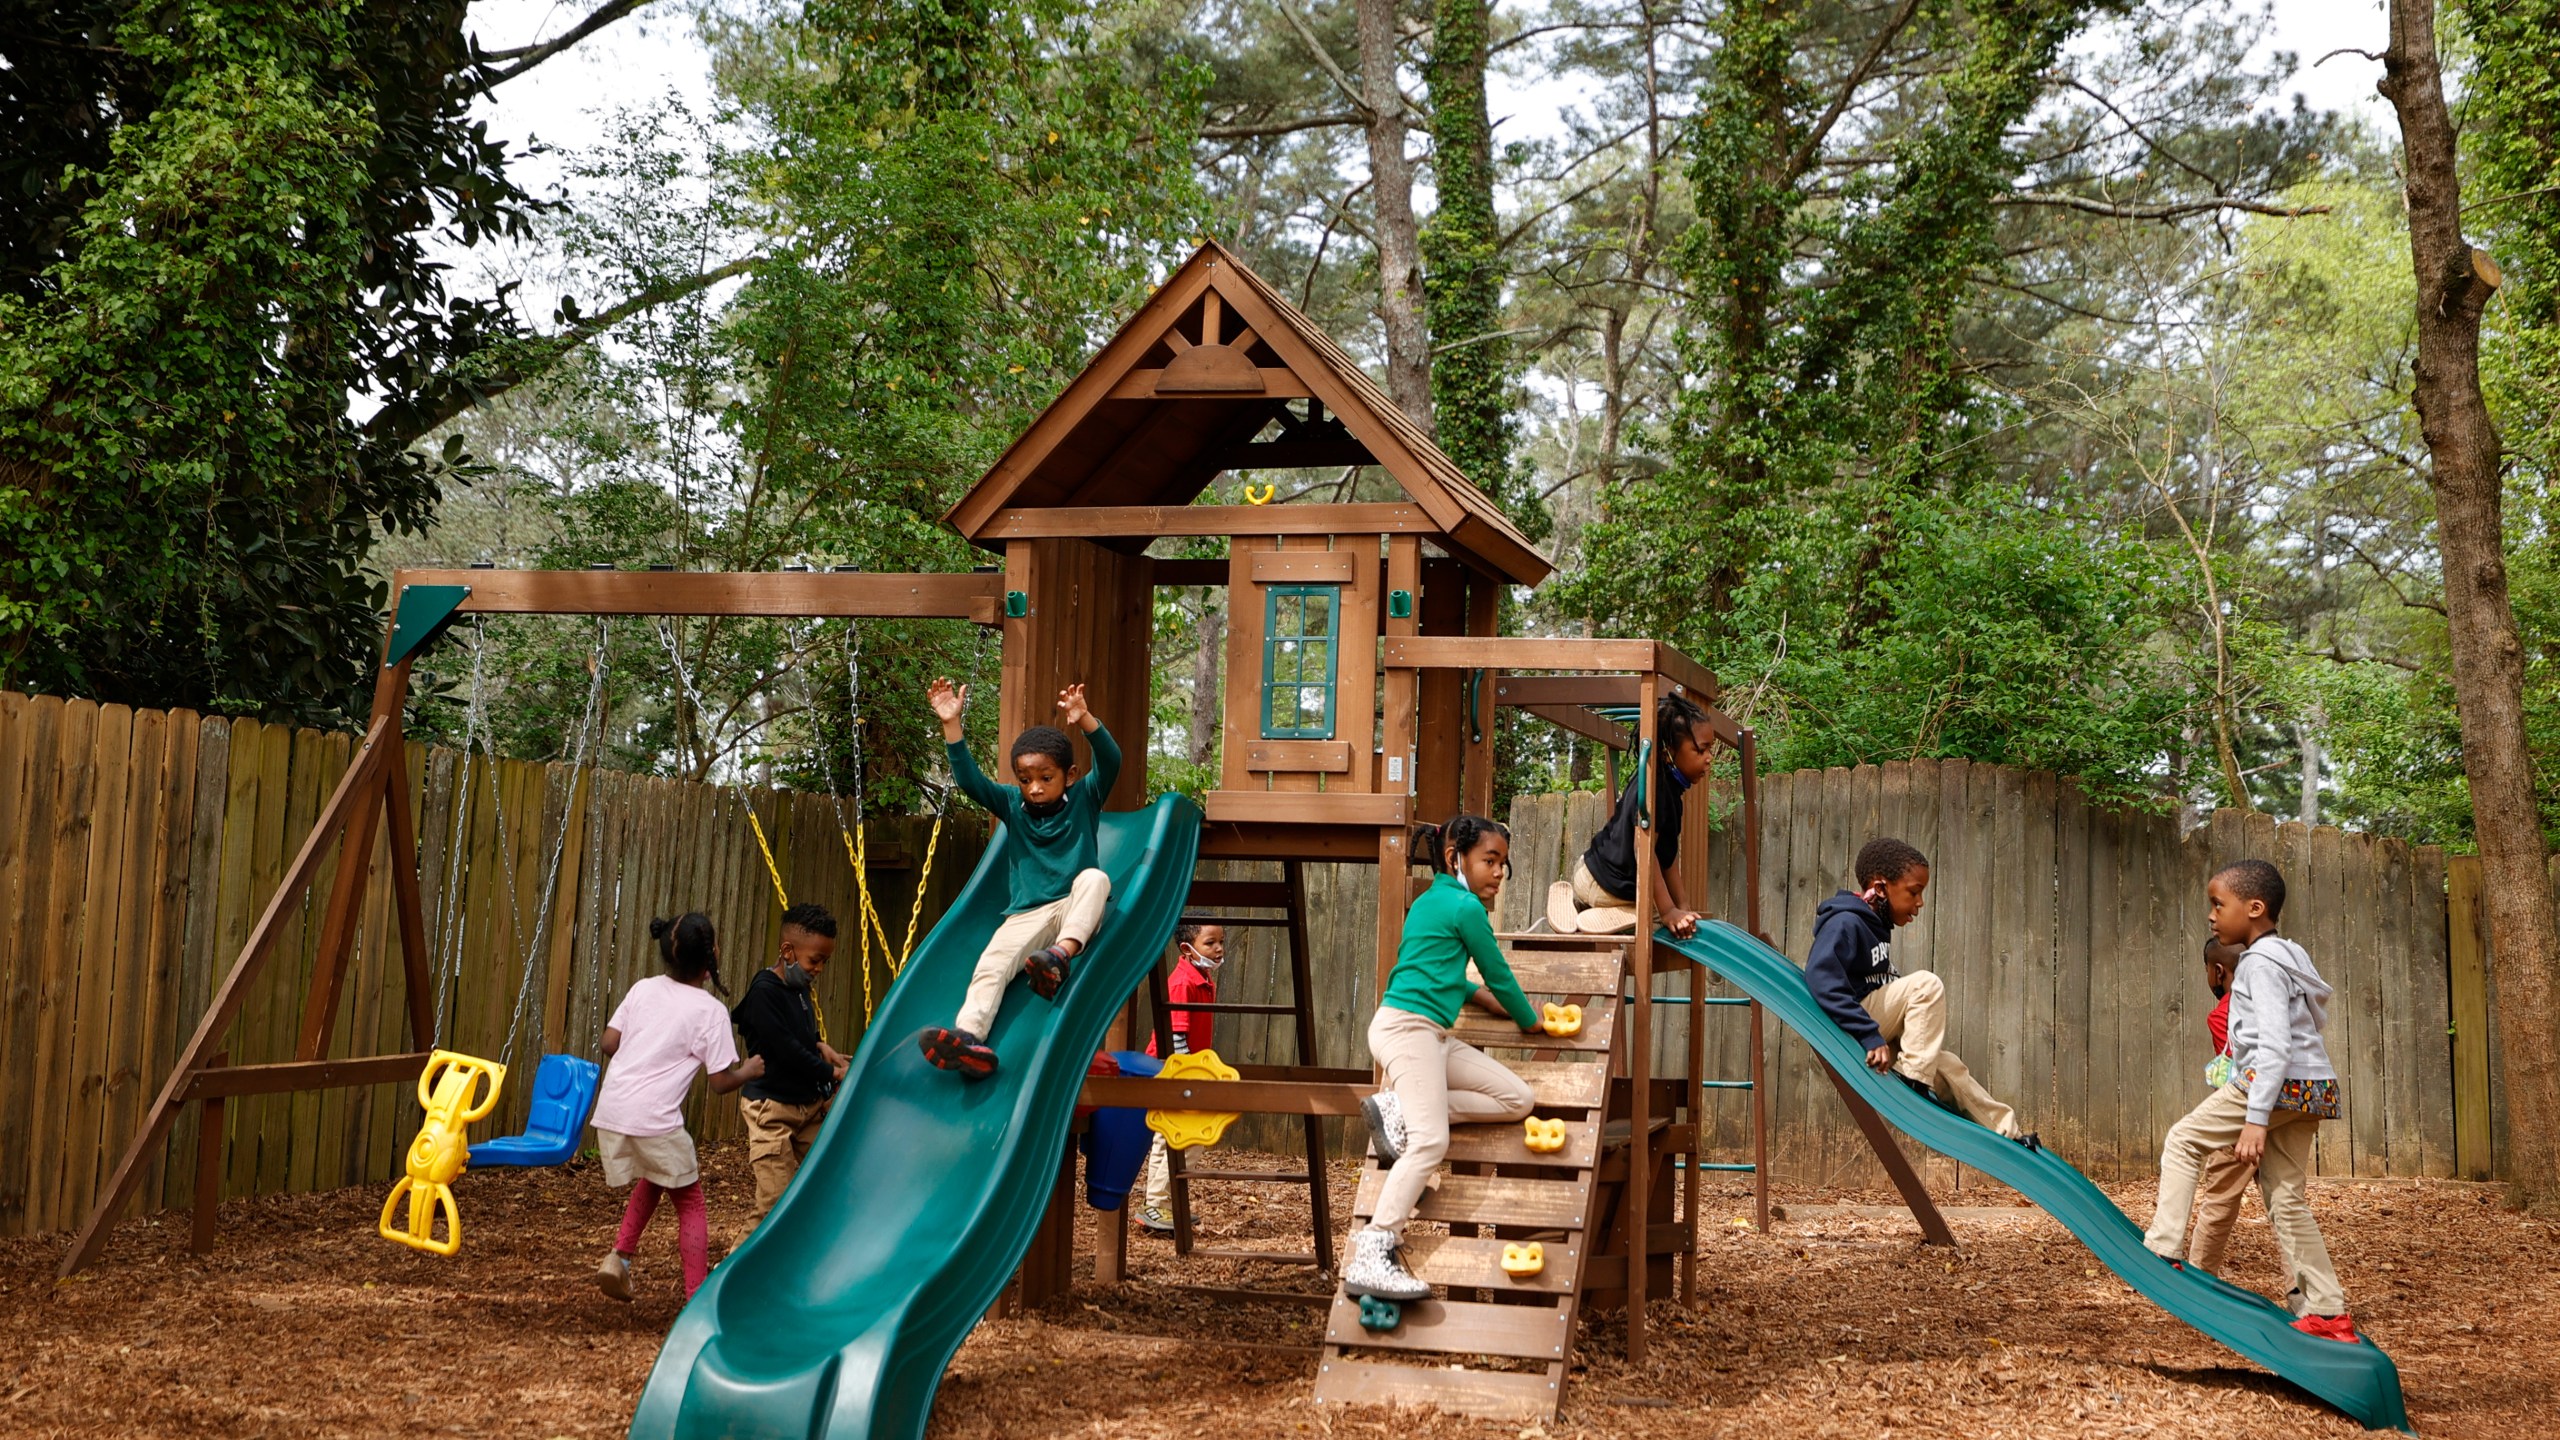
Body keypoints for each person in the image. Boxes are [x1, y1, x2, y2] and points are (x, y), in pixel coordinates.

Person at [2143, 860, 2357, 1342]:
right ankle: (2325, 1307)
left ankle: (2162, 1247)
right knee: (2286, 1197)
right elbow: (2310, 1027)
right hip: (2313, 1085)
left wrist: (2256, 1118)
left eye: (2219, 905)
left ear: (2255, 909)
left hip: (2273, 1082)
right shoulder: (2291, 955)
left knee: (2182, 1141)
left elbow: (2276, 1044)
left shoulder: (2258, 963)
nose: (2213, 917)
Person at [1343, 815, 1541, 1302]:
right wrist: (1528, 1019)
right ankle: (1374, 1247)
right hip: (1408, 1031)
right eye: (1489, 860)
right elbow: (1497, 972)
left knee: (1518, 1098)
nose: (1498, 872)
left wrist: (1482, 999)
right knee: (1430, 1143)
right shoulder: (1465, 907)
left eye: (1503, 864)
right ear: (1457, 858)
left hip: (1427, 1036)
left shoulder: (1430, 902)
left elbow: (1442, 972)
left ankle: (1402, 1109)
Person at [917, 677, 1117, 1079]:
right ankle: (970, 1042)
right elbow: (971, 781)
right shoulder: (1012, 804)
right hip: (1025, 914)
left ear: (1070, 775)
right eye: (1025, 780)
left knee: (1095, 879)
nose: (1035, 788)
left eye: (1046, 778)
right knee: (990, 967)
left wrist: (1085, 720)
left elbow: (1111, 760)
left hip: (1072, 910)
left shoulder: (1086, 796)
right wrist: (951, 725)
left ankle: (1060, 957)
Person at [1804, 837, 2037, 1148]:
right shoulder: (1845, 922)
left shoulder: (1873, 925)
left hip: (1871, 1021)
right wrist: (1870, 1034)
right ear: (1881, 888)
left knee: (1947, 1065)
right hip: (1850, 1023)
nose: (1920, 902)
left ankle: (2007, 1132)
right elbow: (1821, 977)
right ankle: (1913, 1075)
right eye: (1913, 892)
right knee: (1926, 984)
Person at [590, 913, 764, 1302]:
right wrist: (748, 1069)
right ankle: (695, 1299)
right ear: (711, 958)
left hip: (613, 1109)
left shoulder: (642, 989)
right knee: (690, 1202)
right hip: (653, 1117)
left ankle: (619, 1258)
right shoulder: (710, 1011)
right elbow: (720, 1083)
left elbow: (608, 1043)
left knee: (658, 1175)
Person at [1545, 692, 1714, 938]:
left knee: (1682, 918)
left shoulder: (1667, 788)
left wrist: (1684, 907)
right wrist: (1668, 911)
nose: (1709, 759)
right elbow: (1642, 848)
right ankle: (1596, 912)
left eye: (1711, 749)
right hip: (1601, 884)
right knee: (1660, 924)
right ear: (1669, 750)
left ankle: (1586, 907)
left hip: (1598, 877)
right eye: (1701, 750)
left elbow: (1666, 860)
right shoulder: (1656, 788)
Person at [731, 901, 849, 1227]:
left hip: (806, 1108)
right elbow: (784, 1049)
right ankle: (734, 1274)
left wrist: (820, 1044)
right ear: (788, 951)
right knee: (774, 1203)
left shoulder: (798, 987)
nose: (819, 968)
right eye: (815, 960)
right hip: (772, 1111)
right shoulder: (764, 993)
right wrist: (833, 1073)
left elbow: (797, 1034)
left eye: (825, 961)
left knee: (832, 1176)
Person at [1137, 922, 1226, 1234]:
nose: (1218, 949)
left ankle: (1161, 1204)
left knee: (1178, 1136)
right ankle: (1155, 1204)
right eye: (1210, 943)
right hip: (1172, 1068)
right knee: (1178, 1135)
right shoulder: (1182, 982)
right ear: (1187, 949)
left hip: (1186, 1069)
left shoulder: (1201, 978)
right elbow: (1176, 1036)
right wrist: (1190, 1076)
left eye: (1220, 942)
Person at [2183, 937, 2256, 1277]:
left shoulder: (2222, 1014)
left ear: (2217, 971)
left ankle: (2199, 1277)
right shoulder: (2269, 1001)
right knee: (2288, 1207)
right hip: (2285, 1109)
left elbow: (2233, 1077)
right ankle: (2304, 1292)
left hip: (2242, 1118)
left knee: (2219, 1199)